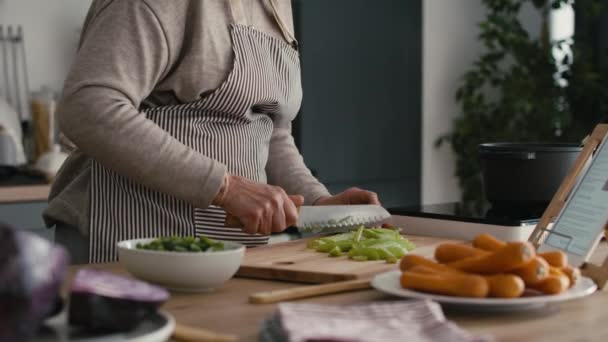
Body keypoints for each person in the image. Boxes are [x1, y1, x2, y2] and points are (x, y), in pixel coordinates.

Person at [44, 0, 379, 264]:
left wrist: (317, 202)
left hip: (224, 253)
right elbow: (88, 106)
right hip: (130, 240)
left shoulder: (277, 6)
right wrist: (225, 187)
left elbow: (270, 131)